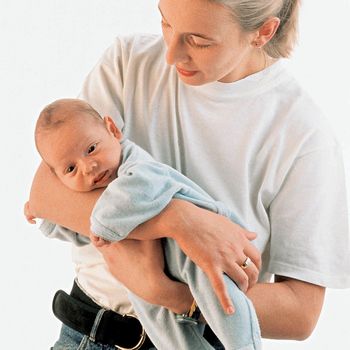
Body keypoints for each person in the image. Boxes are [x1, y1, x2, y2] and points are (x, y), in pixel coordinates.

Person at [26, 0, 350, 349]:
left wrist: (173, 296)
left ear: (263, 32)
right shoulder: (130, 62)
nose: (171, 55)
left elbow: (300, 313)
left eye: (199, 40)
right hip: (87, 333)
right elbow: (45, 194)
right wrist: (178, 220)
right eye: (166, 23)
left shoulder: (303, 135)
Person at [25, 98, 261, 349]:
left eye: (92, 148)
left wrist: (103, 225)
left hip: (189, 258)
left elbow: (134, 193)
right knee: (173, 337)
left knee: (222, 296)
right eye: (70, 169)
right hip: (116, 313)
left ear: (113, 130)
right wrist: (48, 215)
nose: (88, 166)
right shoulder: (90, 187)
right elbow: (81, 231)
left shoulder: (134, 164)